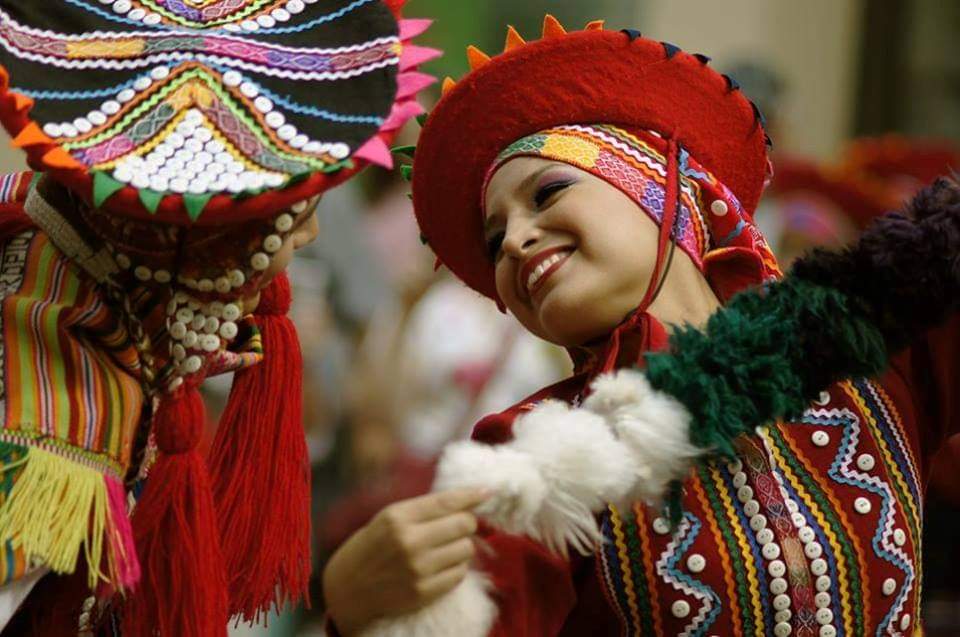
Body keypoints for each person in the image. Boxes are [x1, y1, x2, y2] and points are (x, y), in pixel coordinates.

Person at [322, 16, 960, 637]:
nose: (514, 240)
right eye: (495, 242)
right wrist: (364, 612)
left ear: (667, 189)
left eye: (546, 193)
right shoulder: (537, 452)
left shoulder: (865, 360)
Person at [0, 1, 435, 635]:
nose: (311, 236)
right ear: (206, 244)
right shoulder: (55, 416)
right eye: (293, 217)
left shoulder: (63, 294)